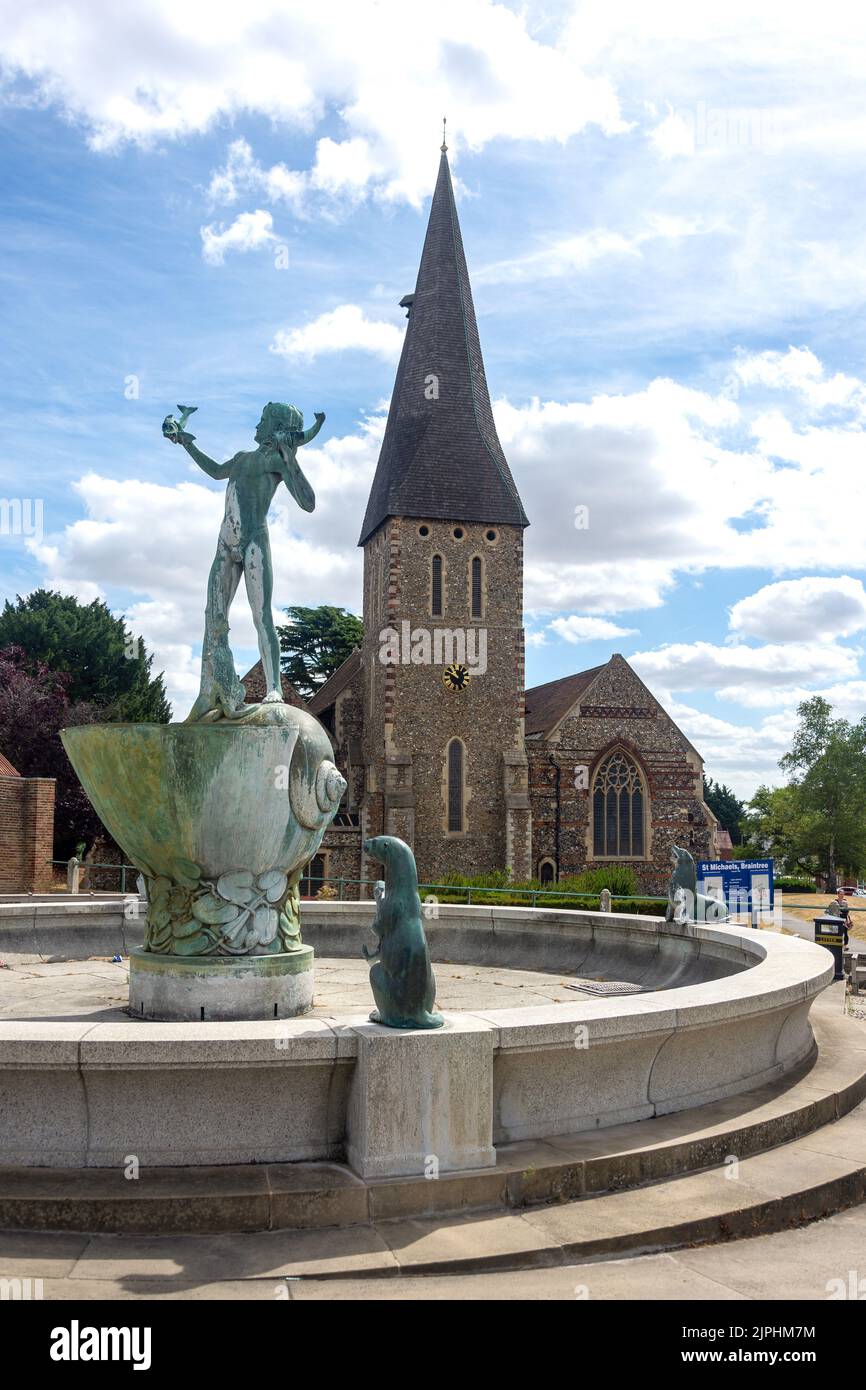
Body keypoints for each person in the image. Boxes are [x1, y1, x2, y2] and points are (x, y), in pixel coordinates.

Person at [165, 402, 325, 721]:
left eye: (263, 420)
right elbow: (214, 471)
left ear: (275, 428)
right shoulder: (241, 459)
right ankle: (207, 690)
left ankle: (274, 687)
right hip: (225, 544)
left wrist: (290, 456)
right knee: (213, 616)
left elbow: (308, 502)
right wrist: (187, 443)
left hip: (254, 542)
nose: (256, 424)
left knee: (261, 615)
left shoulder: (276, 463)